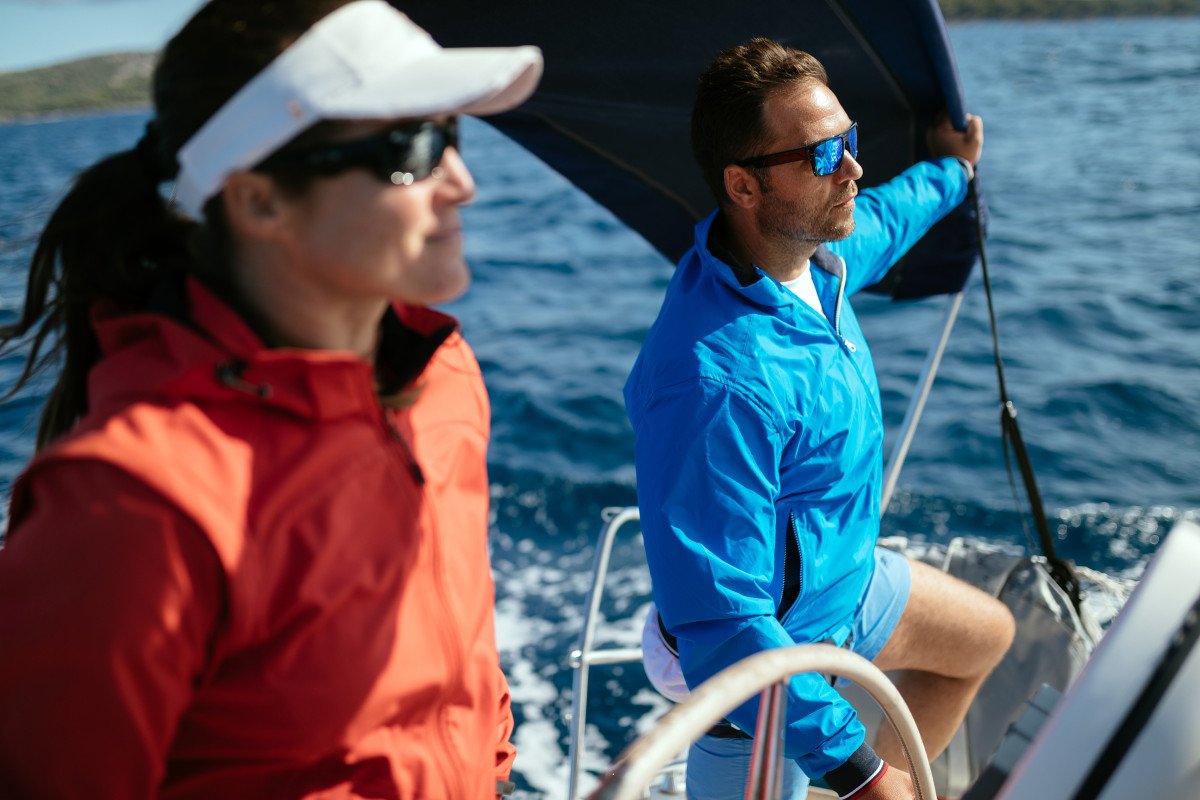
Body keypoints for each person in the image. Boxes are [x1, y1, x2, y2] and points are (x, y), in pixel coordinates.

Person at [0, 2, 542, 798]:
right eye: (411, 151)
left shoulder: (443, 379)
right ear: (259, 202)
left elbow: (464, 660)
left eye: (451, 136)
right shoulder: (135, 503)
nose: (461, 184)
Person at [624, 39, 1015, 800]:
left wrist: (953, 170)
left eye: (851, 141)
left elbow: (889, 217)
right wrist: (862, 771)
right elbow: (723, 623)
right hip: (759, 669)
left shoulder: (816, 262)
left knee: (986, 638)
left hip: (849, 590)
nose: (853, 170)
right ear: (743, 184)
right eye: (823, 154)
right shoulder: (715, 378)